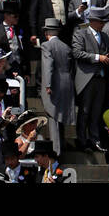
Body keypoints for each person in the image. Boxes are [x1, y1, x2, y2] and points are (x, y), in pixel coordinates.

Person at [72, 3, 109, 151]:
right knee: (85, 111)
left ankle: (95, 140)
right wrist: (98, 57)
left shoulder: (105, 37)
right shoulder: (80, 33)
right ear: (92, 21)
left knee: (96, 112)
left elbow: (107, 52)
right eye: (100, 21)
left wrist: (108, 56)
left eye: (104, 22)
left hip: (100, 79)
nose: (102, 24)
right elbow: (77, 53)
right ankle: (82, 141)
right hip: (86, 78)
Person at [39, 18, 74, 157]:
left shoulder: (46, 45)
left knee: (53, 116)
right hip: (67, 82)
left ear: (47, 32)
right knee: (61, 116)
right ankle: (61, 146)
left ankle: (56, 152)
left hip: (54, 83)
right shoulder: (66, 46)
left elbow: (48, 66)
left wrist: (48, 84)